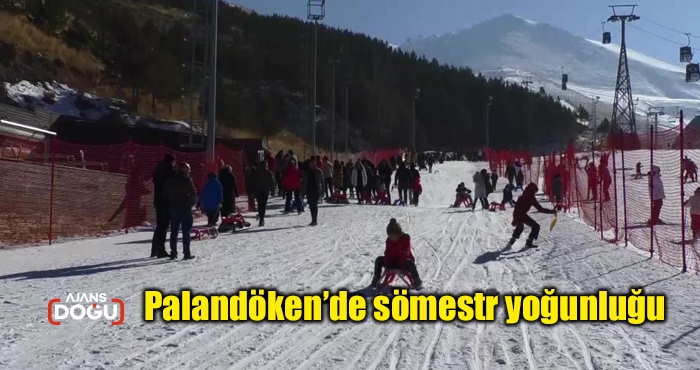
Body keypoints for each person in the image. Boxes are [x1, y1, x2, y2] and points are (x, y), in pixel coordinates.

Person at [370, 218, 422, 289]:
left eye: (394, 236)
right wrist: (388, 264)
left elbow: (405, 253)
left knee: (410, 263)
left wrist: (402, 266)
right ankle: (376, 279)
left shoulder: (405, 239)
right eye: (390, 236)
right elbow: (387, 252)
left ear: (399, 234)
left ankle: (417, 280)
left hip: (404, 261)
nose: (392, 238)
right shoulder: (388, 240)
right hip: (393, 261)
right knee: (378, 260)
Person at [506, 183, 556, 250]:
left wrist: (515, 218)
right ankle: (529, 242)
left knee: (520, 227)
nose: (535, 193)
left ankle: (511, 241)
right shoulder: (531, 198)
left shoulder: (522, 196)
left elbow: (517, 207)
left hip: (517, 213)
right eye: (535, 191)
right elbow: (540, 209)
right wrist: (551, 211)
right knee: (535, 226)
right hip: (521, 215)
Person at [165, 163, 197, 260]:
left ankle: (173, 253)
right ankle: (186, 253)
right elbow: (193, 192)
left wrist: (171, 201)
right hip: (185, 208)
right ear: (184, 169)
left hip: (174, 208)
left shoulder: (170, 180)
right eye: (188, 169)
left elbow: (165, 193)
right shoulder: (187, 180)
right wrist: (191, 203)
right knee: (186, 231)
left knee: (174, 231)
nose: (189, 171)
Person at [151, 154, 176, 258]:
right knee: (164, 226)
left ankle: (154, 249)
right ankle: (161, 249)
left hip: (158, 200)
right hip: (166, 201)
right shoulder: (170, 171)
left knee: (159, 226)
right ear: (171, 161)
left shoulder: (158, 171)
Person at [302, 159, 324, 226]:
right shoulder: (306, 172)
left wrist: (323, 192)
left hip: (316, 190)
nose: (312, 165)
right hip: (309, 190)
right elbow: (304, 183)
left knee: (314, 204)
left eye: (313, 163)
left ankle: (315, 220)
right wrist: (302, 192)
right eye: (311, 163)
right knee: (311, 205)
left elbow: (322, 182)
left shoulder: (319, 171)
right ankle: (313, 219)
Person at [252, 161, 275, 227]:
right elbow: (272, 182)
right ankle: (262, 219)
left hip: (258, 191)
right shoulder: (269, 173)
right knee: (263, 205)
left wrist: (253, 190)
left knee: (259, 204)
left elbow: (253, 182)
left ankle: (261, 217)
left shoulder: (256, 172)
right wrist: (272, 191)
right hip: (265, 191)